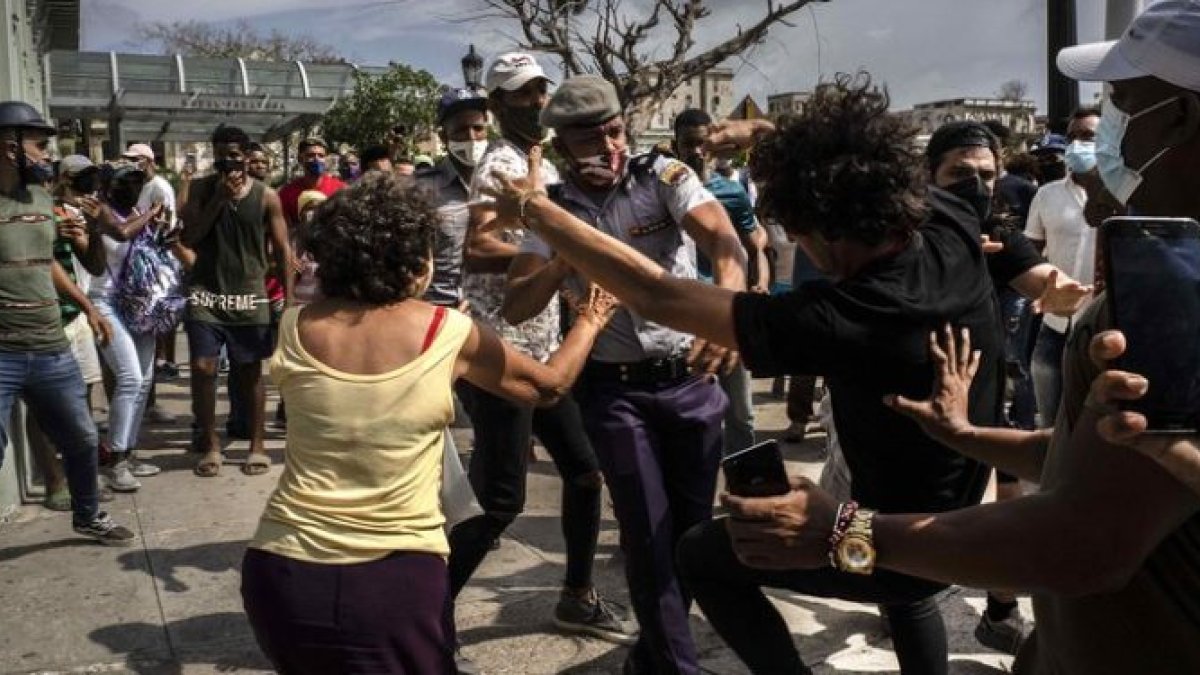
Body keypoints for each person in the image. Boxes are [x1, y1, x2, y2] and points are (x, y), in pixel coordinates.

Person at [663, 6, 1200, 674]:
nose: (1100, 125)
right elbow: (1099, 461)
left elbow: (1082, 544)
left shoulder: (1178, 299)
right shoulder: (1164, 267)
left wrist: (845, 532)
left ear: (1176, 120)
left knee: (714, 557)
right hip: (1070, 648)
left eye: (1119, 103)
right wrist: (967, 435)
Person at [485, 73, 999, 675]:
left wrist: (534, 214)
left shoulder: (839, 317)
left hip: (892, 539)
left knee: (702, 552)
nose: (800, 252)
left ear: (829, 232)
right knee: (665, 539)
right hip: (957, 511)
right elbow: (849, 161)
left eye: (801, 238)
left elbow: (659, 294)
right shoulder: (947, 221)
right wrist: (773, 133)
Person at [239, 171, 620, 674]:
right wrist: (591, 321)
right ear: (419, 262)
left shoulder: (294, 325)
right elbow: (547, 386)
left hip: (280, 570)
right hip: (393, 581)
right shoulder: (447, 331)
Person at [500, 75, 747, 674]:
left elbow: (724, 243)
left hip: (688, 381)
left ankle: (655, 657)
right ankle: (677, 667)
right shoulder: (551, 207)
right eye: (590, 139)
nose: (608, 146)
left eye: (614, 131)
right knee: (646, 531)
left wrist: (727, 314)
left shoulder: (663, 178)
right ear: (561, 147)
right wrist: (567, 254)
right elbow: (516, 305)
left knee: (689, 536)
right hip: (615, 393)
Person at [454, 55, 635, 653]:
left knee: (584, 473)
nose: (535, 101)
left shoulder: (543, 159)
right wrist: (556, 241)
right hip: (497, 350)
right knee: (501, 498)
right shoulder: (500, 163)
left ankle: (577, 597)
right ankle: (424, 612)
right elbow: (478, 246)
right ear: (497, 105)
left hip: (545, 350)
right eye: (520, 95)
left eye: (539, 90)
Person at [0, 100, 132, 544]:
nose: (46, 156)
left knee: (80, 436)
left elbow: (45, 264)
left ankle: (88, 514)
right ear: (9, 146)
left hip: (50, 347)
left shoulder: (40, 198)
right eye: (39, 145)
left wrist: (88, 305)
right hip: (4, 352)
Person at [175, 125, 292, 478]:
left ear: (245, 154)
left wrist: (289, 301)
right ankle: (210, 444)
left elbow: (284, 249)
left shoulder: (266, 196)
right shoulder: (198, 190)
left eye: (235, 154)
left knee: (249, 372)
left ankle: (256, 446)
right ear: (214, 153)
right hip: (205, 293)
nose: (229, 160)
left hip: (249, 293)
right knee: (202, 367)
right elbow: (190, 237)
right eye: (222, 153)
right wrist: (218, 201)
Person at [672, 107, 770, 455]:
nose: (697, 152)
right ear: (676, 146)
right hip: (682, 321)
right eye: (688, 144)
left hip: (730, 317)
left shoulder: (731, 193)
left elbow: (755, 240)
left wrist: (759, 282)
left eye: (703, 144)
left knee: (740, 414)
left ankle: (745, 493)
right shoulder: (660, 193)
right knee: (690, 415)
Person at [82, 165, 169, 491]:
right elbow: (121, 233)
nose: (130, 189)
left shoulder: (136, 212)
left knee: (144, 380)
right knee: (130, 378)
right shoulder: (100, 210)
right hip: (105, 302)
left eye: (137, 184)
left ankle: (128, 452)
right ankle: (115, 460)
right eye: (124, 184)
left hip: (137, 302)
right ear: (108, 186)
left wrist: (163, 226)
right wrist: (152, 213)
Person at [1026, 108, 1101, 428]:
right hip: (1056, 324)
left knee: (1095, 425)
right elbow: (1030, 250)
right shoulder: (1046, 195)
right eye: (1072, 137)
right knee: (1051, 422)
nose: (1077, 145)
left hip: (1103, 324)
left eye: (1088, 137)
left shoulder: (1126, 195)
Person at [276, 137, 344, 226]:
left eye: (321, 156)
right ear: (300, 159)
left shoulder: (341, 189)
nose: (316, 159)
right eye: (310, 155)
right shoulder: (286, 194)